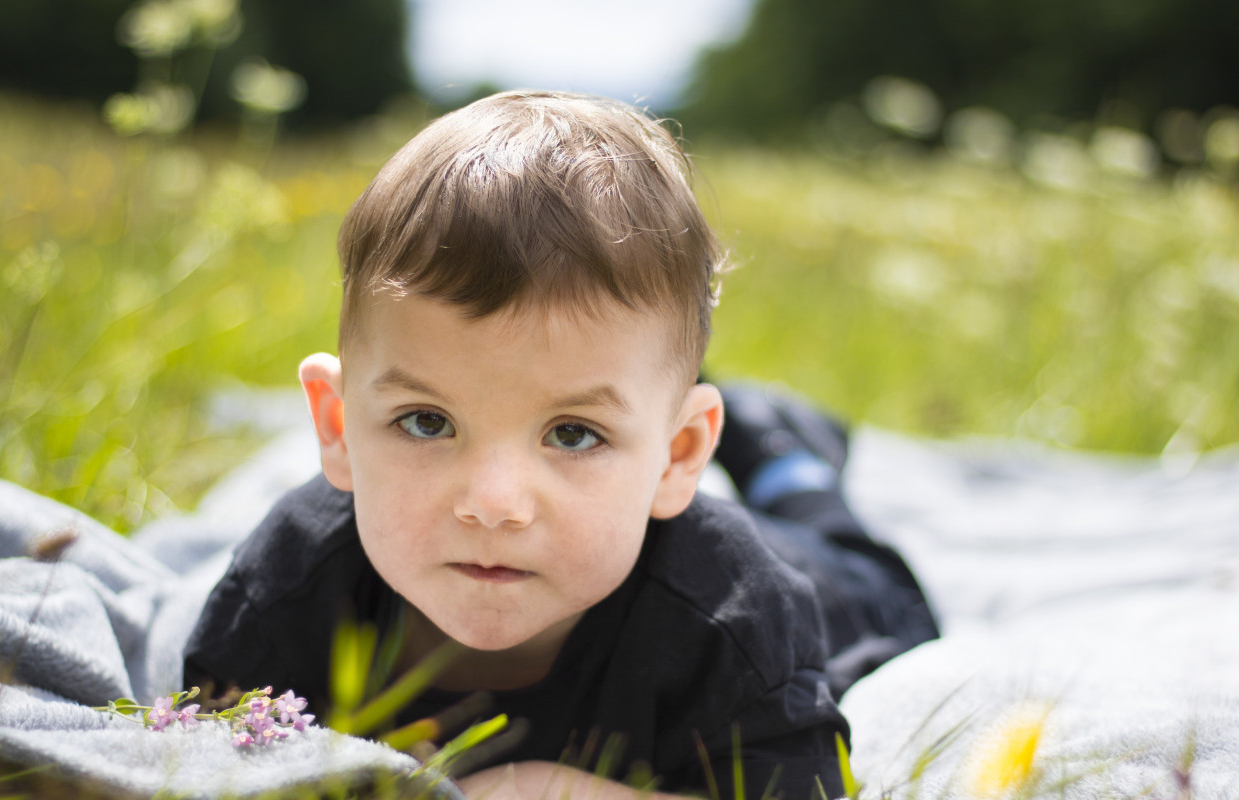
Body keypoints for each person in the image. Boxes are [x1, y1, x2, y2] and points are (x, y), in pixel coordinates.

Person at [182, 90, 937, 800]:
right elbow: (193, 761)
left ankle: (778, 449)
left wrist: (551, 789)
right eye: (427, 421)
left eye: (573, 433)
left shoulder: (732, 617)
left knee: (848, 552)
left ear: (679, 457)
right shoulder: (286, 591)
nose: (493, 504)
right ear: (339, 427)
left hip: (824, 575)